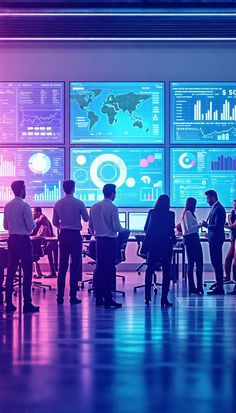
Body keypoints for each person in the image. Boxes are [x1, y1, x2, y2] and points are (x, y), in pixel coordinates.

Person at [3, 180, 39, 313]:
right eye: (25, 188)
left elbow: (6, 226)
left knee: (11, 272)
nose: (26, 190)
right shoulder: (25, 206)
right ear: (21, 190)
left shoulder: (7, 206)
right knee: (27, 272)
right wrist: (34, 223)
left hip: (11, 240)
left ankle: (8, 302)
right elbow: (31, 226)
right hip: (23, 241)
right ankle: (27, 303)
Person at [53, 180, 89, 305]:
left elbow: (55, 222)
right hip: (75, 236)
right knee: (75, 266)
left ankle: (60, 297)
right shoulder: (79, 203)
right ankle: (73, 296)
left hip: (63, 236)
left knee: (62, 267)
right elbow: (86, 218)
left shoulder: (58, 203)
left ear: (63, 189)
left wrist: (62, 226)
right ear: (73, 189)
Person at [89, 184, 124, 308]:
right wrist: (124, 229)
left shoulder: (94, 207)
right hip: (110, 241)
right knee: (109, 269)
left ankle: (99, 297)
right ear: (113, 193)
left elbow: (90, 227)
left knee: (99, 268)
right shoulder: (113, 208)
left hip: (99, 241)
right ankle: (108, 299)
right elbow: (116, 227)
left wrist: (97, 234)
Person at [143, 194, 176, 307]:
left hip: (153, 246)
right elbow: (171, 231)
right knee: (166, 272)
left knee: (149, 270)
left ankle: (147, 298)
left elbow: (145, 228)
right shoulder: (171, 214)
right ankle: (164, 299)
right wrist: (174, 240)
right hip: (166, 246)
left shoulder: (152, 212)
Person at [202, 190, 226, 295]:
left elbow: (218, 226)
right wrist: (209, 233)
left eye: (208, 198)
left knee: (217, 263)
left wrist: (207, 226)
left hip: (216, 240)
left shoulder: (219, 209)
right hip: (213, 238)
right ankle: (219, 283)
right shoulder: (215, 208)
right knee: (215, 262)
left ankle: (220, 288)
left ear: (213, 197)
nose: (207, 201)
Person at [181, 197, 204, 295]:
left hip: (192, 239)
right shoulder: (188, 214)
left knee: (197, 263)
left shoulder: (189, 214)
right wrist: (201, 225)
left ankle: (198, 286)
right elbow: (190, 229)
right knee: (192, 264)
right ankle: (193, 287)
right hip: (191, 239)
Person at [32, 207, 58, 278]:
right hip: (48, 242)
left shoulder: (42, 218)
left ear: (38, 212)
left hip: (49, 242)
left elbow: (34, 225)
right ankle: (50, 272)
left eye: (33, 212)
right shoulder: (40, 218)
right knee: (35, 250)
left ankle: (39, 273)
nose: (32, 214)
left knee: (33, 251)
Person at [224, 200, 236, 294]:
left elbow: (232, 226)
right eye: (234, 205)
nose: (234, 206)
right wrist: (229, 219)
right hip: (233, 238)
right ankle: (227, 277)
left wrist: (223, 225)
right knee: (228, 259)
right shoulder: (232, 214)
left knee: (235, 262)